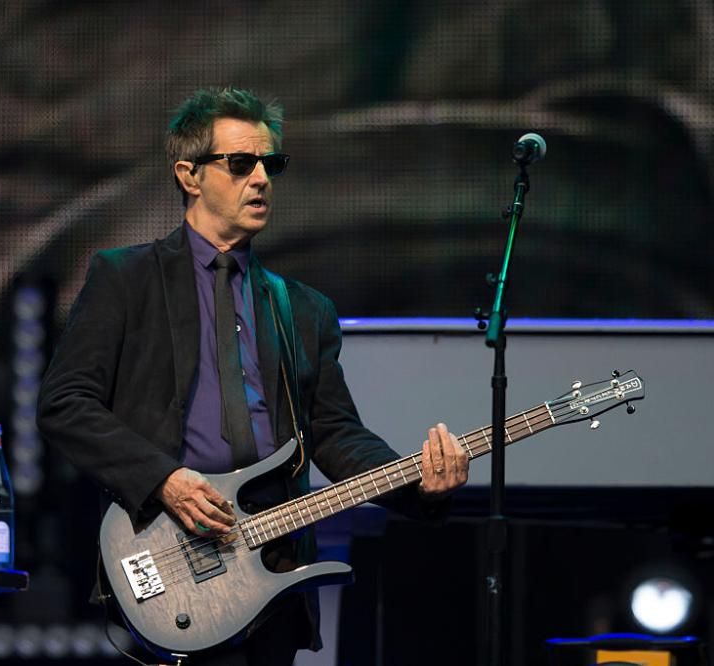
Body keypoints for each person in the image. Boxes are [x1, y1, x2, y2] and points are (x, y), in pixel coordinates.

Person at [37, 87, 469, 666]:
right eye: (241, 164)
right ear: (189, 175)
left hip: (272, 569)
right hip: (172, 554)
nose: (262, 178)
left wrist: (419, 485)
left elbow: (336, 435)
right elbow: (65, 402)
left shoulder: (303, 309)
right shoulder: (126, 279)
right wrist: (163, 479)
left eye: (272, 164)